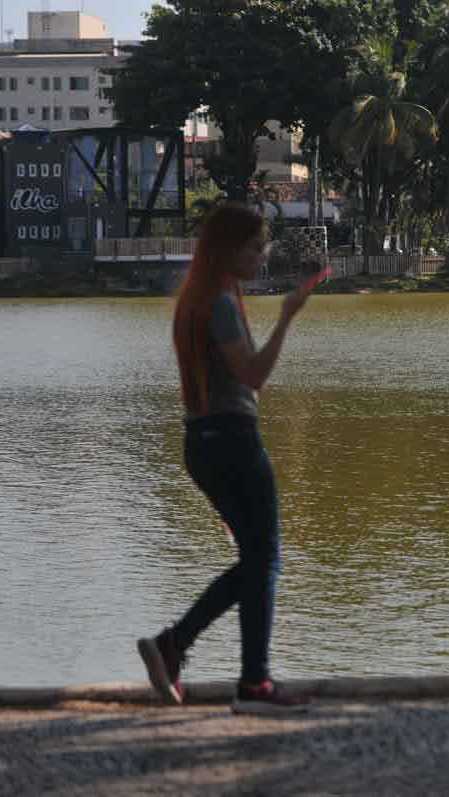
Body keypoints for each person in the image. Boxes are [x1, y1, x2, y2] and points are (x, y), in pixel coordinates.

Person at [137, 203, 314, 715]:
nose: (264, 255)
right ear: (227, 250)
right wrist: (286, 319)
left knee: (257, 561)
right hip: (233, 441)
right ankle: (253, 685)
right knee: (265, 560)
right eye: (256, 247)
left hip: (204, 443)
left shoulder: (194, 300)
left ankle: (177, 644)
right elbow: (254, 375)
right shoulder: (218, 303)